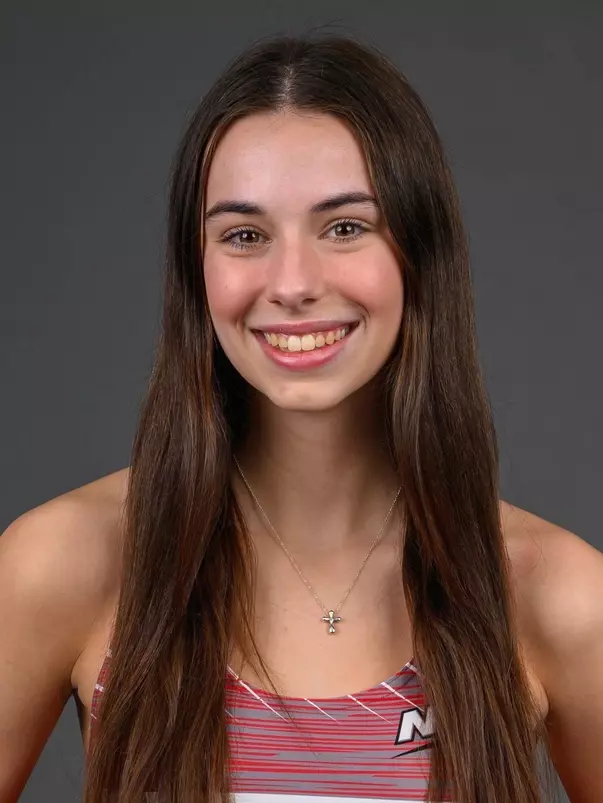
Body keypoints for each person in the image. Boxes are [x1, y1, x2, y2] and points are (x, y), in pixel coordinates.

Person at [0, 32, 602, 803]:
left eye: (344, 227)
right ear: (197, 269)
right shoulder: (68, 561)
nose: (291, 283)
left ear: (419, 252)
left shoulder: (552, 593)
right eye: (244, 235)